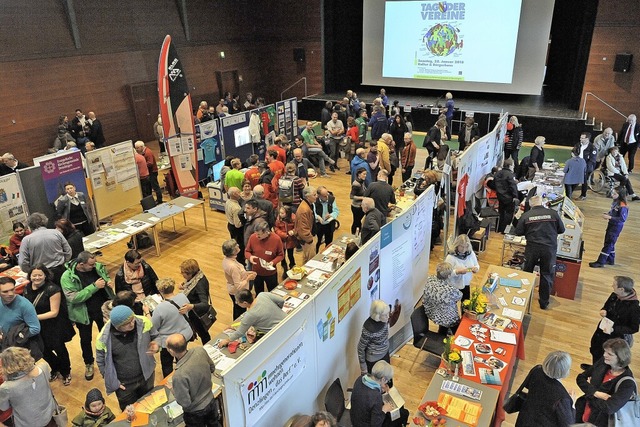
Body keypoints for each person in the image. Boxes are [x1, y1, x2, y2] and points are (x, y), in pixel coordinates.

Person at [61, 251, 115, 381]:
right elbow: (73, 298)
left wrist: (108, 282)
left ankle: (111, 358)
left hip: (102, 309)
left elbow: (104, 276)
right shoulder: (67, 277)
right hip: (83, 313)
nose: (94, 266)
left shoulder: (97, 266)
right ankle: (89, 363)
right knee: (86, 339)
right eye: (91, 264)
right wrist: (94, 287)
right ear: (81, 264)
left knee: (108, 334)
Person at [96, 305, 159, 410]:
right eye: (127, 323)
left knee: (150, 406)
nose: (132, 323)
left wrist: (157, 344)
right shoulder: (103, 339)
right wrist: (114, 382)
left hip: (147, 377)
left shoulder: (143, 322)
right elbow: (101, 362)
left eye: (132, 319)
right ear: (117, 326)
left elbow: (156, 337)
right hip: (125, 386)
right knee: (129, 412)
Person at [23, 265, 75, 386]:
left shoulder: (53, 289)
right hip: (36, 326)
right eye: (34, 275)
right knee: (43, 350)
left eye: (40, 275)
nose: (37, 277)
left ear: (45, 275)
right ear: (30, 276)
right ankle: (55, 368)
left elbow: (54, 312)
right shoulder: (27, 288)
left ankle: (66, 371)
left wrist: (32, 318)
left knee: (59, 349)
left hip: (53, 326)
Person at [514, 195, 565, 309]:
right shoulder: (553, 213)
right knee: (547, 274)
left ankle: (523, 297)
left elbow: (518, 231)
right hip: (549, 249)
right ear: (542, 203)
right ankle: (544, 302)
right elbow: (562, 230)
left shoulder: (526, 216)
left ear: (531, 205)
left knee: (527, 272)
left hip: (532, 248)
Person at [576, 338, 635, 427]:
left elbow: (609, 407)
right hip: (582, 413)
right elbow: (580, 378)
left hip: (600, 422)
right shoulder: (603, 362)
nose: (604, 355)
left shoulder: (627, 383)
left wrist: (589, 391)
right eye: (605, 352)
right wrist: (596, 393)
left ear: (620, 357)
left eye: (609, 354)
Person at [166, 334, 221, 427]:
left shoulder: (179, 375)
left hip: (195, 412)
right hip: (211, 400)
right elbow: (212, 368)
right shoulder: (200, 350)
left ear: (171, 351)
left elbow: (185, 403)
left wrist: (173, 390)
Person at [514, 351, 575, 427]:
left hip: (525, 418)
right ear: (565, 371)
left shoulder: (537, 371)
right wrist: (572, 406)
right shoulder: (562, 398)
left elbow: (529, 387)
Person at [587, 276, 640, 363]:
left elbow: (634, 328)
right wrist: (604, 310)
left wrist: (614, 329)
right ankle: (594, 368)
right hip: (602, 331)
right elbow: (606, 306)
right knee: (596, 349)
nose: (612, 286)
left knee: (606, 357)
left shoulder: (634, 308)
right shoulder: (614, 295)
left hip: (615, 338)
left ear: (621, 289)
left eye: (614, 285)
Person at [0, 347, 57, 427]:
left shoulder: (7, 387)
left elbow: (4, 407)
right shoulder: (43, 367)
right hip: (49, 415)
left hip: (28, 423)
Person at [151, 278, 193, 377]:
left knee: (167, 364)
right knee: (182, 357)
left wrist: (147, 313)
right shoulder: (183, 297)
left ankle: (169, 380)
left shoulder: (160, 308)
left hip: (168, 341)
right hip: (184, 335)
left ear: (160, 291)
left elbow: (153, 327)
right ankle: (184, 374)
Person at [217, 290, 285, 347]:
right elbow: (281, 300)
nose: (236, 303)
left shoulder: (250, 315)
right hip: (287, 320)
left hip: (277, 333)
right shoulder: (262, 295)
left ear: (245, 303)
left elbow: (240, 332)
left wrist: (227, 340)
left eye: (237, 302)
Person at [350, 360, 408, 427]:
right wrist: (384, 410)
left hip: (355, 417)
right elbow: (376, 424)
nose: (386, 383)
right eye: (387, 380)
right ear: (383, 379)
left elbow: (366, 393)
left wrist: (380, 388)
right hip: (364, 424)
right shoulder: (376, 396)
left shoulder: (360, 379)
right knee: (404, 414)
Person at [19, 212, 72, 284]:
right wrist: (63, 262)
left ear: (30, 225)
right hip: (60, 270)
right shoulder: (56, 233)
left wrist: (32, 271)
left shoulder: (26, 240)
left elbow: (22, 263)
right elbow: (68, 251)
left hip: (40, 275)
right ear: (45, 221)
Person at [589, 186, 630, 268]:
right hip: (611, 225)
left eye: (614, 193)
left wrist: (610, 217)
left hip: (616, 227)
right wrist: (609, 214)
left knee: (608, 244)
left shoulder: (623, 205)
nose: (612, 195)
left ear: (620, 195)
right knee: (610, 242)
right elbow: (613, 211)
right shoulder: (616, 201)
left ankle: (601, 262)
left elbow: (622, 219)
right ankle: (610, 259)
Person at [0, 276, 41, 353]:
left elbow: (35, 329)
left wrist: (13, 338)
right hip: (3, 346)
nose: (11, 294)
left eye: (12, 289)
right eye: (5, 292)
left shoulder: (25, 305)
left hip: (19, 348)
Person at [179, 258, 213, 344]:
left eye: (183, 273)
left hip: (197, 315)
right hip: (195, 314)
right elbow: (191, 286)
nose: (182, 275)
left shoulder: (199, 284)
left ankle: (208, 350)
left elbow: (205, 304)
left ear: (190, 273)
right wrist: (184, 286)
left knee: (203, 334)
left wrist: (191, 306)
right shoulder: (198, 276)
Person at [245, 221, 284, 294]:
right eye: (256, 234)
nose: (256, 236)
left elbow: (281, 255)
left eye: (259, 235)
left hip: (271, 273)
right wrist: (250, 257)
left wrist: (273, 262)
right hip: (256, 272)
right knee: (259, 293)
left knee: (273, 293)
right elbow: (247, 251)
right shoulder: (253, 237)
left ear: (267, 232)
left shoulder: (276, 239)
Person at [423, 262, 462, 334]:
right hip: (446, 318)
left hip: (432, 311)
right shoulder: (449, 290)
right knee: (457, 326)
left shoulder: (430, 280)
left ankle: (442, 332)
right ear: (449, 276)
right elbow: (459, 296)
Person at [221, 240, 256, 320]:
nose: (238, 245)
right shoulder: (233, 266)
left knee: (237, 309)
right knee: (240, 312)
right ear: (233, 251)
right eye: (236, 246)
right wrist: (248, 278)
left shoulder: (227, 260)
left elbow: (238, 274)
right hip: (237, 291)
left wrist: (247, 273)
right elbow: (238, 286)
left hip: (232, 288)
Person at [357, 300, 390, 374]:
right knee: (377, 383)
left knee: (387, 379)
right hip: (374, 360)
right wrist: (363, 367)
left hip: (385, 353)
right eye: (385, 315)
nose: (388, 316)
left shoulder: (384, 320)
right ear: (378, 315)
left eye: (388, 313)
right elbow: (360, 348)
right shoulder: (369, 328)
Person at [445, 235, 480, 303]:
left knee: (466, 305)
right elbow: (445, 273)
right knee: (451, 306)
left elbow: (477, 265)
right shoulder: (450, 257)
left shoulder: (471, 253)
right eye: (461, 246)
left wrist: (476, 268)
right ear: (457, 245)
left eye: (466, 247)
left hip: (466, 284)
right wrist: (457, 272)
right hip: (453, 286)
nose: (464, 249)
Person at [494, 158, 520, 233]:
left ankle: (498, 229)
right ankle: (505, 231)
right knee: (508, 214)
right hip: (508, 198)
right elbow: (512, 186)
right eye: (513, 165)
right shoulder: (510, 175)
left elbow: (493, 184)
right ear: (510, 166)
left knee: (501, 213)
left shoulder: (498, 173)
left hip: (500, 197)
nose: (514, 167)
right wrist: (515, 196)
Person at [295, 186, 318, 263]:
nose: (316, 196)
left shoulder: (309, 204)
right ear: (308, 196)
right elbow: (302, 228)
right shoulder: (304, 209)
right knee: (310, 261)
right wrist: (310, 240)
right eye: (314, 195)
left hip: (310, 237)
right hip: (307, 240)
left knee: (307, 259)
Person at [314, 186, 339, 252]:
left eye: (327, 194)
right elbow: (313, 213)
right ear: (319, 196)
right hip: (319, 225)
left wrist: (331, 215)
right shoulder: (314, 201)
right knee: (317, 242)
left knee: (329, 243)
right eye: (324, 196)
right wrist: (317, 217)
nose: (327, 197)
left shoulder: (332, 199)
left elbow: (336, 211)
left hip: (329, 225)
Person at [275, 205, 297, 279]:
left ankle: (292, 268)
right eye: (280, 213)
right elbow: (276, 228)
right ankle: (285, 270)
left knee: (291, 255)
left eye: (282, 213)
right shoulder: (278, 219)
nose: (280, 214)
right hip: (282, 241)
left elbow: (297, 227)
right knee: (282, 256)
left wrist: (293, 231)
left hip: (291, 241)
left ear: (287, 213)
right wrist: (284, 235)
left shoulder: (294, 218)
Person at [574, 132, 598, 200]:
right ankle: (569, 192)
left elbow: (592, 160)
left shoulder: (592, 148)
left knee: (584, 181)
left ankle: (583, 195)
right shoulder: (578, 145)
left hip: (586, 167)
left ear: (587, 139)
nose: (580, 139)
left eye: (582, 138)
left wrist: (585, 168)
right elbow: (574, 152)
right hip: (577, 165)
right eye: (580, 137)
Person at [350, 167, 368, 234]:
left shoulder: (362, 182)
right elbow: (351, 196)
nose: (365, 176)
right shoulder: (356, 184)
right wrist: (362, 198)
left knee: (358, 221)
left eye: (366, 174)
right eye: (364, 174)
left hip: (361, 206)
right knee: (356, 222)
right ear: (359, 174)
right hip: (356, 207)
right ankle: (353, 234)